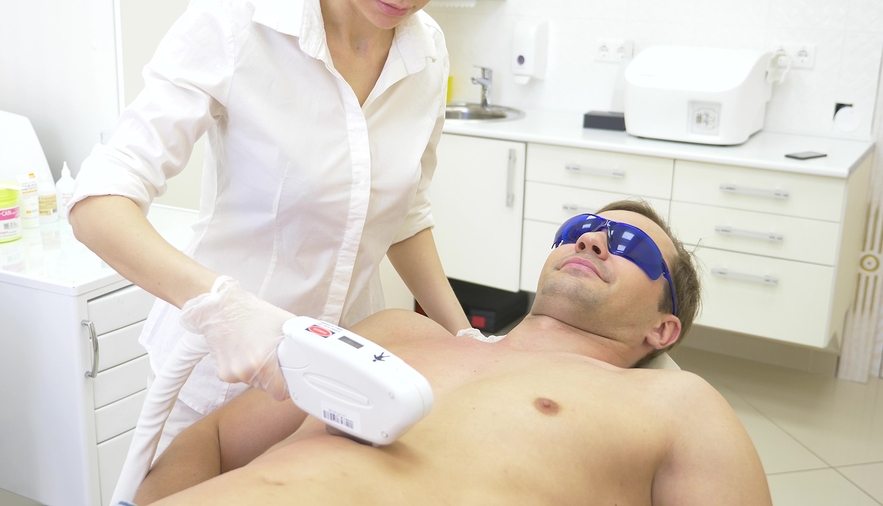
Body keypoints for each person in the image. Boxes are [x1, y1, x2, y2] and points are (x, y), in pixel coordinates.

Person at [132, 199, 772, 506]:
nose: (595, 243)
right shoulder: (392, 333)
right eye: (580, 231)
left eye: (629, 245)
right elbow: (211, 442)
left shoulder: (676, 403)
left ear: (663, 330)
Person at [68, 0, 470, 455]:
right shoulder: (237, 21)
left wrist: (467, 341)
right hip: (220, 376)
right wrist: (220, 306)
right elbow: (98, 200)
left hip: (342, 383)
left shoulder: (427, 50)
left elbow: (407, 213)